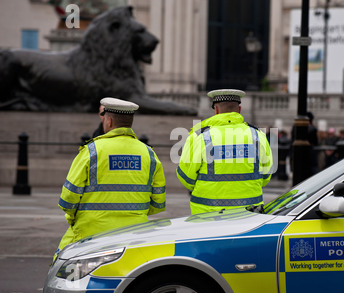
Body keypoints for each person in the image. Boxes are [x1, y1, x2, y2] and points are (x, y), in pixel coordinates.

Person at [55, 97, 166, 258]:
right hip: (135, 235)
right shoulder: (149, 154)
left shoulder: (91, 151)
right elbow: (158, 204)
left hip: (90, 235)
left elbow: (67, 199)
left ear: (109, 121)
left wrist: (75, 218)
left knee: (62, 266)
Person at [177, 89, 273, 215]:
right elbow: (266, 175)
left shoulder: (199, 137)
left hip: (207, 214)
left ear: (216, 110)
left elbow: (186, 177)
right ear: (239, 110)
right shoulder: (257, 135)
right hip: (250, 214)